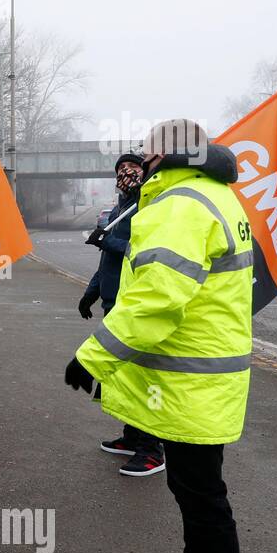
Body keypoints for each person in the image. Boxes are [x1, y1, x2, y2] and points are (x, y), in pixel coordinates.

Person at [65, 119, 252, 553]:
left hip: (194, 377)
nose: (139, 159)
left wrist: (93, 357)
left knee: (203, 497)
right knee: (192, 490)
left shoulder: (181, 205)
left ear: (169, 155)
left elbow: (156, 299)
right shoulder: (212, 195)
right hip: (200, 376)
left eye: (146, 151)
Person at [78, 152, 166, 477]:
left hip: (134, 304)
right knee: (123, 378)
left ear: (144, 173)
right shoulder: (120, 206)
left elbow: (141, 251)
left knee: (140, 379)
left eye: (132, 168)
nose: (126, 173)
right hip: (114, 303)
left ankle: (151, 451)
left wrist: (109, 241)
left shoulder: (148, 205)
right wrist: (91, 293)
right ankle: (132, 438)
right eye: (121, 169)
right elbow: (109, 262)